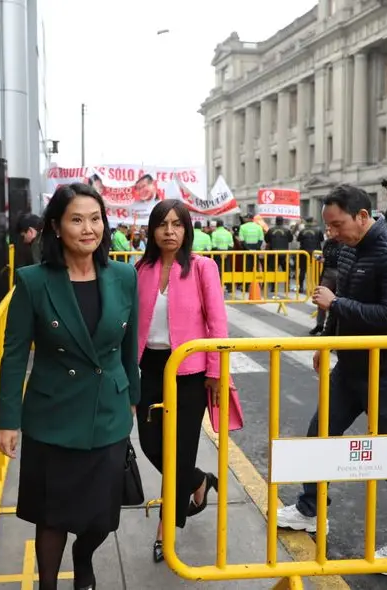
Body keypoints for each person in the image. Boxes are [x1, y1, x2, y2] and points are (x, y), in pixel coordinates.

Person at [276, 184, 387, 571]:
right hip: (350, 370)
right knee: (319, 436)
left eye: (337, 225)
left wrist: (336, 303)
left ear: (363, 216)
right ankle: (309, 509)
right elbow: (342, 305)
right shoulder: (348, 248)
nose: (332, 233)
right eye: (328, 226)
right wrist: (326, 342)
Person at [0, 183, 140, 590]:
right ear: (57, 227)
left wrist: (132, 397)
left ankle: (85, 555)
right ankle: (47, 585)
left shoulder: (125, 276)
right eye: (77, 219)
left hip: (107, 413)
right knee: (52, 514)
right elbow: (14, 354)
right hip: (53, 415)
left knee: (101, 516)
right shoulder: (33, 281)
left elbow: (130, 347)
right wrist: (8, 420)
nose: (88, 228)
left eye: (95, 219)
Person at [133, 200, 229, 564]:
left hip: (190, 375)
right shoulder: (139, 269)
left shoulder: (203, 267)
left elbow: (218, 324)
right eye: (162, 224)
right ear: (152, 230)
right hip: (151, 369)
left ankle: (165, 534)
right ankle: (197, 481)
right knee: (151, 446)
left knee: (179, 452)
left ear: (187, 229)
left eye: (177, 224)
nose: (169, 231)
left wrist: (216, 372)